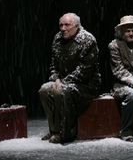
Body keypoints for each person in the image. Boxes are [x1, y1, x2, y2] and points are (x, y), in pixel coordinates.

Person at [39, 12, 101, 143]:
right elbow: (53, 65)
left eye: (67, 25)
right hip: (61, 81)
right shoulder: (57, 38)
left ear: (77, 26)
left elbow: (85, 70)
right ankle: (54, 130)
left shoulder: (88, 40)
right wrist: (56, 78)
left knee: (63, 91)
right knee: (44, 90)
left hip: (87, 84)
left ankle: (65, 133)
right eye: (61, 25)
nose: (63, 28)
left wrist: (63, 82)